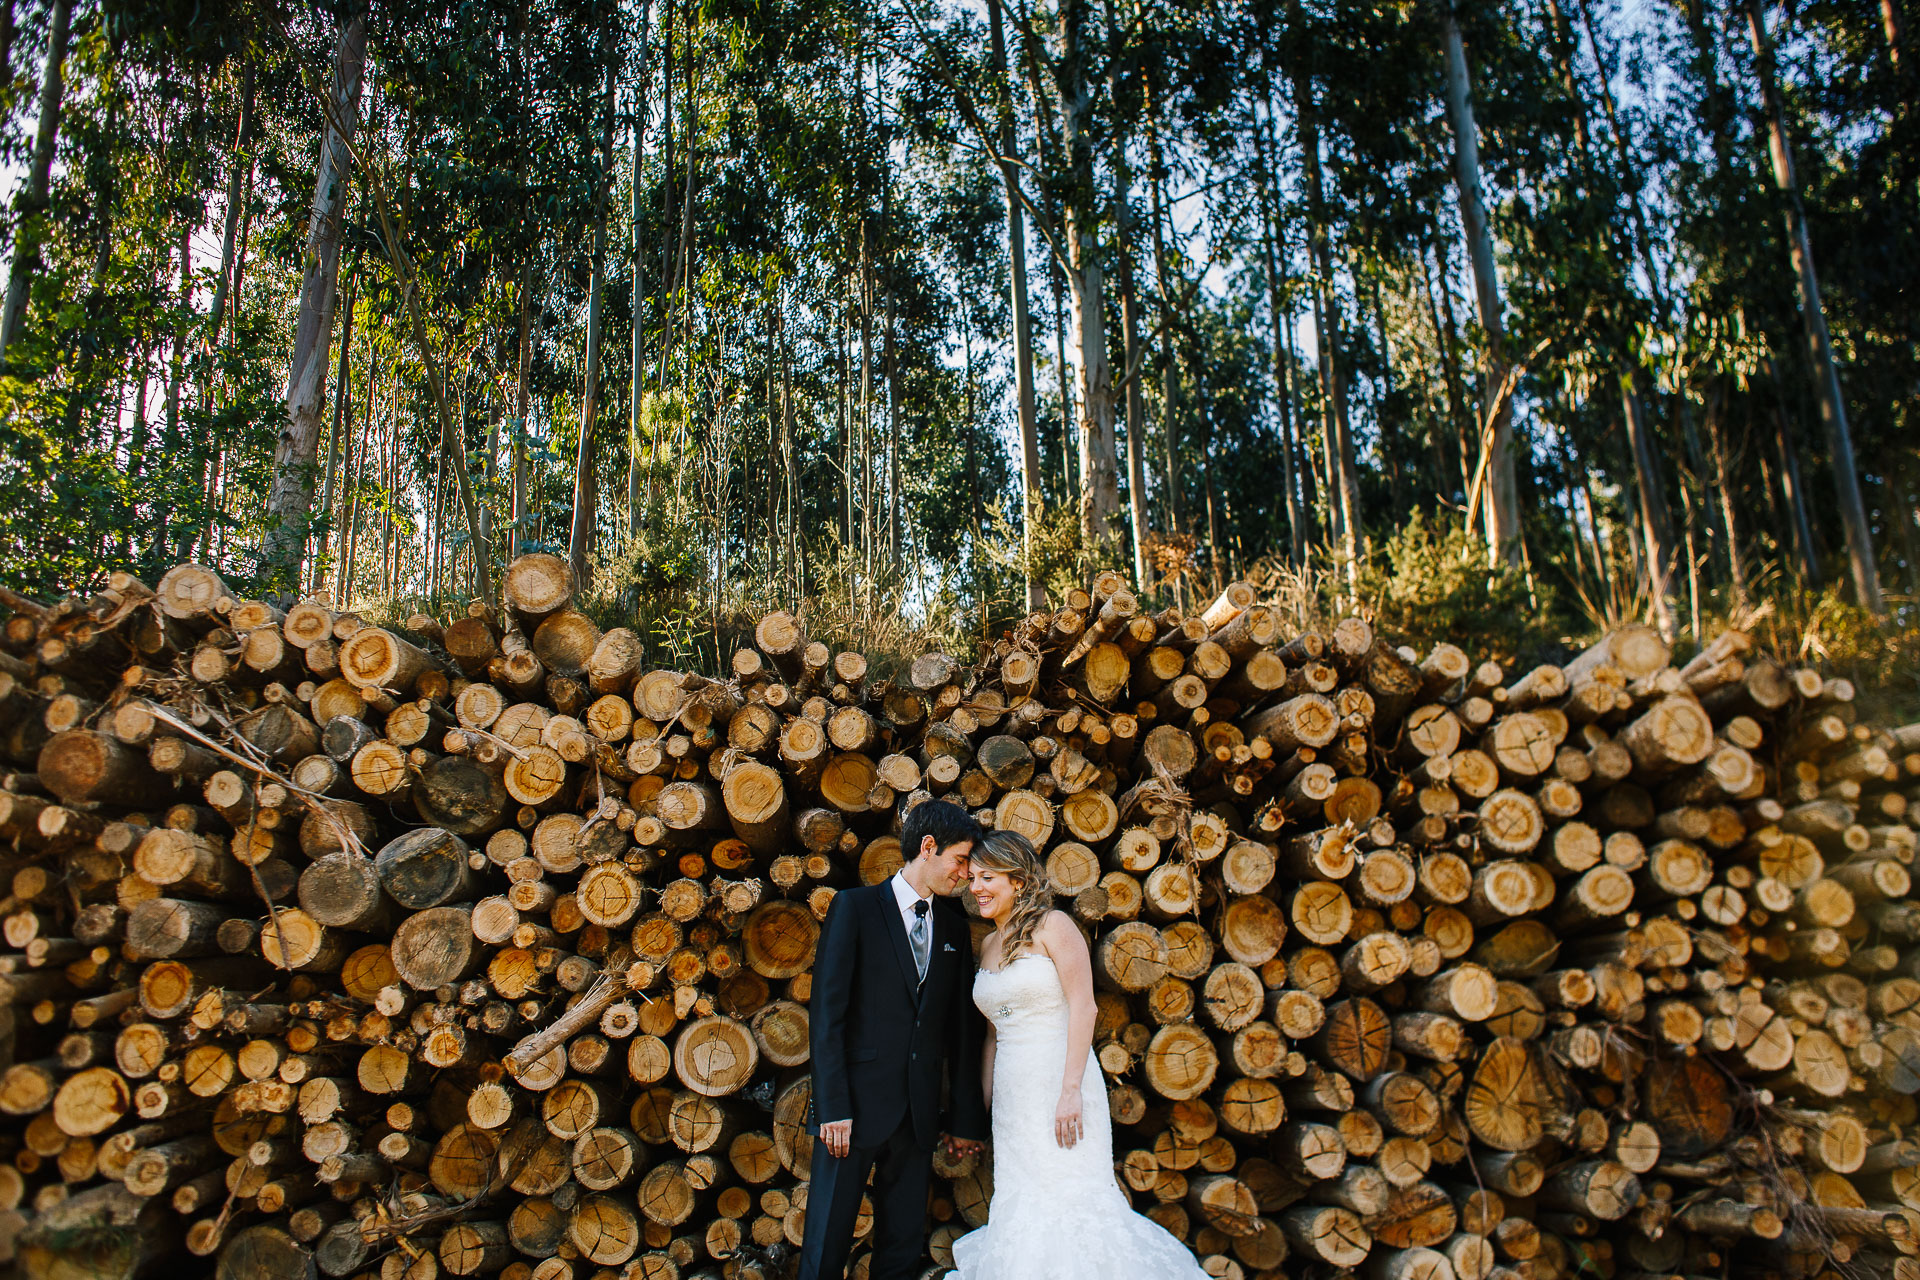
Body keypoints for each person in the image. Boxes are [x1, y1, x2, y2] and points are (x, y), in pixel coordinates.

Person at [946, 829, 1211, 1280]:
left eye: (986, 877)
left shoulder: (1054, 926)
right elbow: (992, 1037)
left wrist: (1070, 1091)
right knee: (1025, 1203)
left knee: (1071, 1198)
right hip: (1015, 1099)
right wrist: (980, 1111)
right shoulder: (989, 945)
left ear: (1019, 880)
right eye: (972, 878)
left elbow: (1084, 1006)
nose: (975, 889)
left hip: (1060, 1084)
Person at [800, 799, 989, 1280]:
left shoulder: (952, 927)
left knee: (901, 1250)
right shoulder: (855, 908)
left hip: (917, 1116)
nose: (967, 875)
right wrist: (833, 1106)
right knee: (826, 1243)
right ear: (929, 847)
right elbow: (827, 1016)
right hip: (852, 1113)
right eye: (961, 859)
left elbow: (962, 1031)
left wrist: (964, 1117)